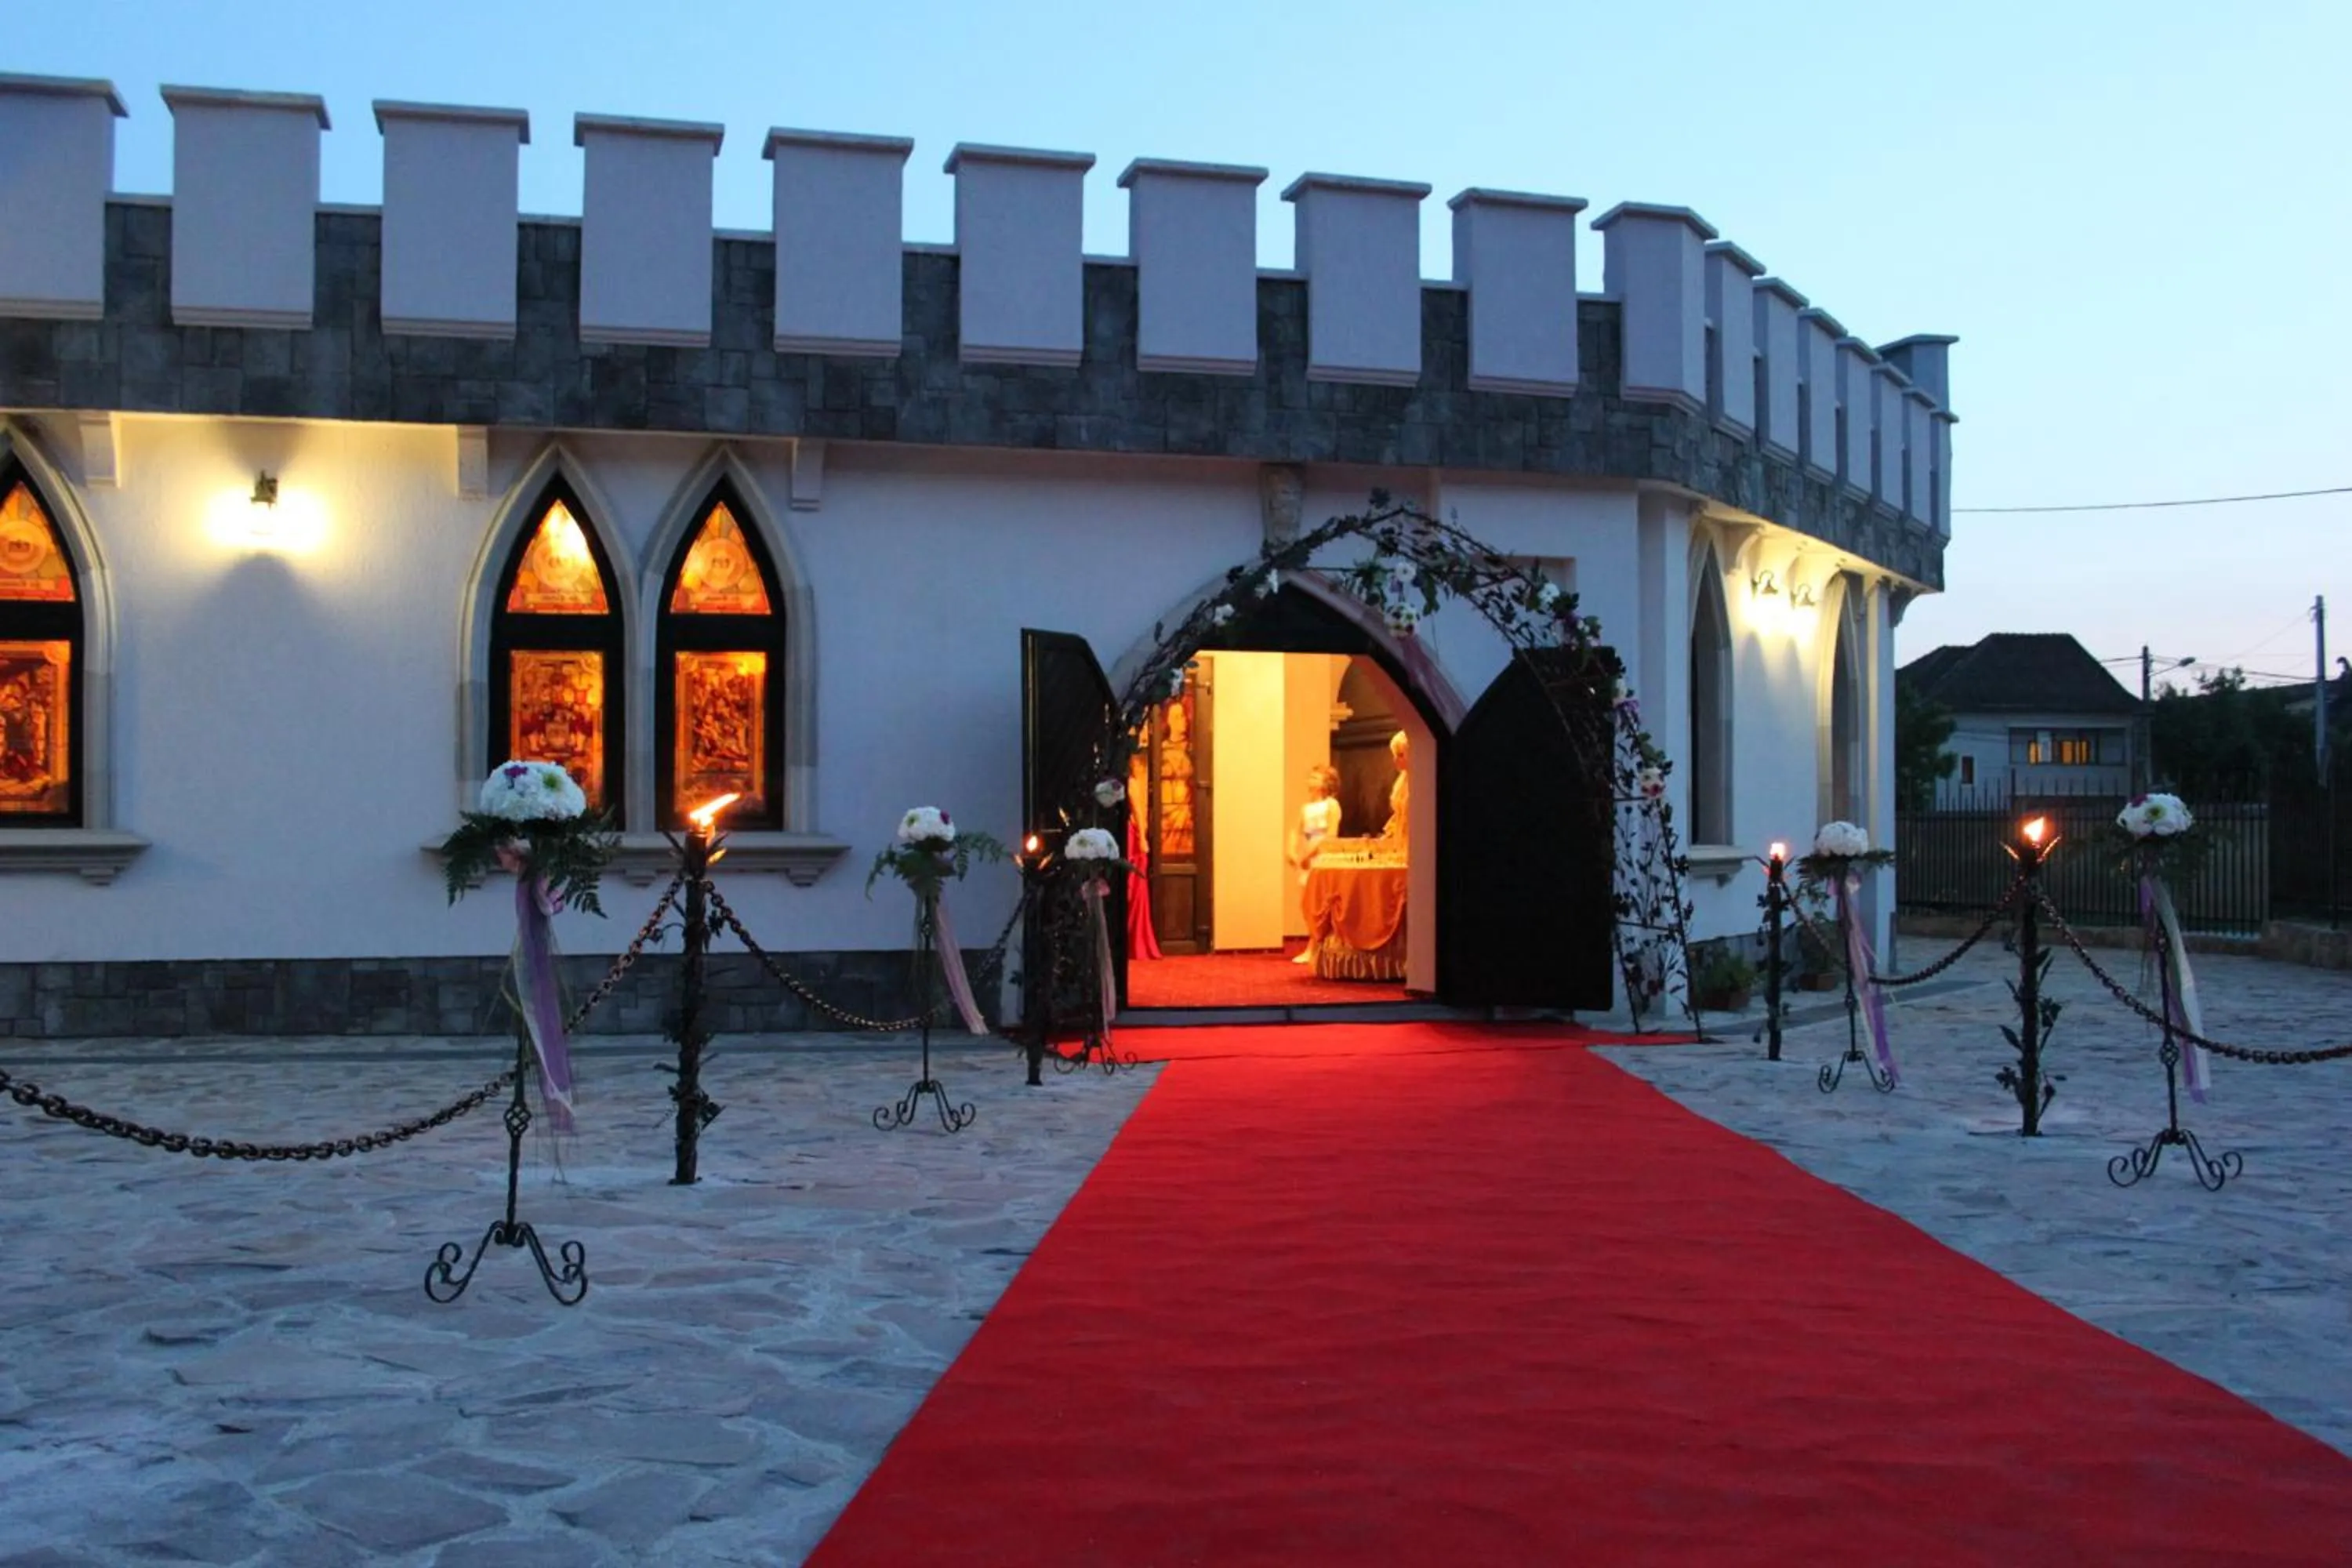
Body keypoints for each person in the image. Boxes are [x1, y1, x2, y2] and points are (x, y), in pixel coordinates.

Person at [1289, 764, 1341, 964]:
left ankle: (1314, 947)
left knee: (1319, 902)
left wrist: (1309, 855)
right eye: (1310, 777)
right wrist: (1292, 851)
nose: (1310, 781)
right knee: (1306, 903)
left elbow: (1330, 835)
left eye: (1315, 777)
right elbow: (1296, 830)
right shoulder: (1306, 808)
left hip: (1322, 856)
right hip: (1307, 854)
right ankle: (1313, 942)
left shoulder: (1331, 805)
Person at [1381, 731, 1410, 848]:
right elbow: (1398, 813)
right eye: (1395, 755)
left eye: (1401, 755)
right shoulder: (1402, 781)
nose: (1395, 760)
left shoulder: (1424, 781)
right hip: (1401, 839)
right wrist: (1391, 830)